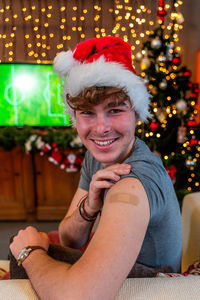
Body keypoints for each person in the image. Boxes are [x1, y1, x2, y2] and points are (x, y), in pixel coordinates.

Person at [10, 36, 182, 299]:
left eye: (114, 110)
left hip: (152, 286)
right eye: (88, 113)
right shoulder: (98, 157)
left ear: (136, 113)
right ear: (74, 117)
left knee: (23, 254)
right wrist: (89, 207)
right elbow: (71, 239)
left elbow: (81, 297)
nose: (101, 129)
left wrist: (29, 253)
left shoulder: (134, 181)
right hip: (120, 274)